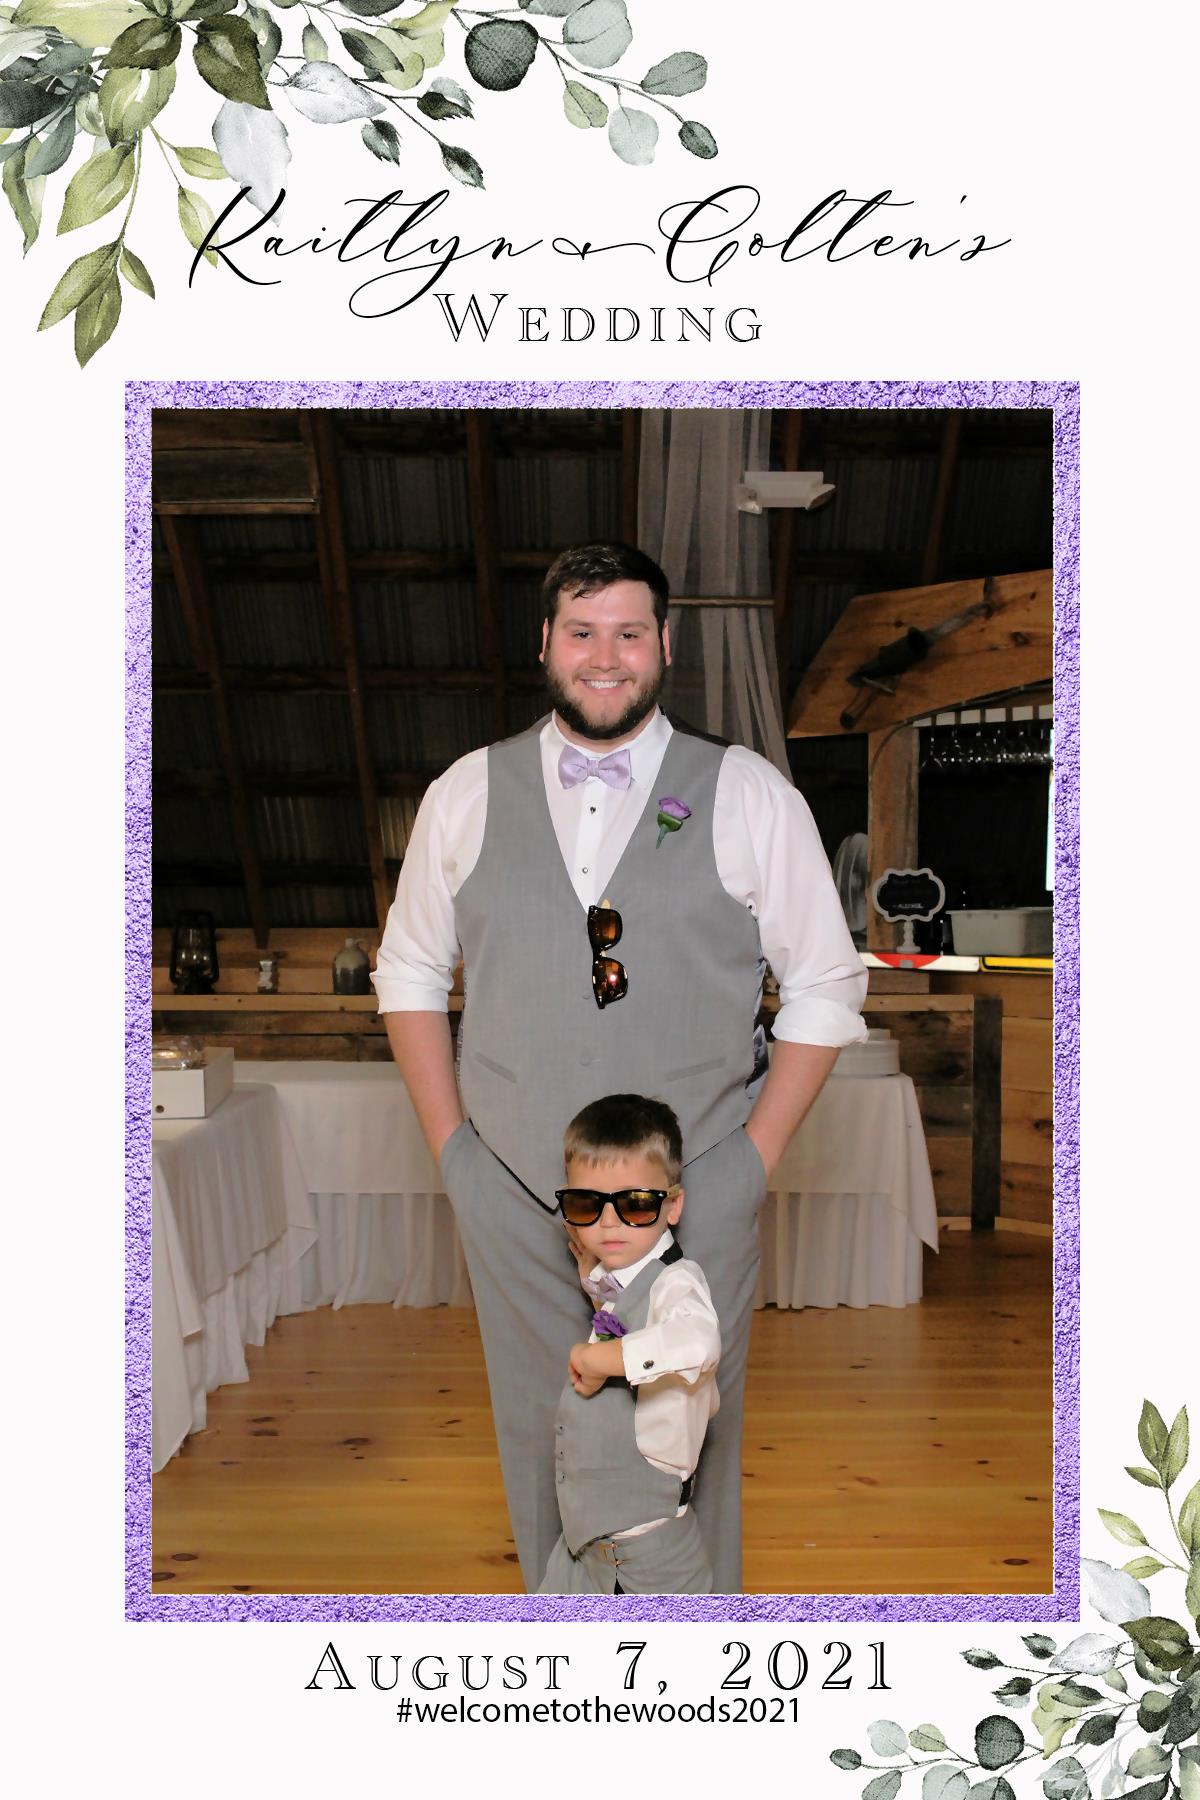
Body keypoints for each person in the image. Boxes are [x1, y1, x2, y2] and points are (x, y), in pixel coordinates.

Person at [373, 540, 867, 1593]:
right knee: (537, 1442)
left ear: (665, 646)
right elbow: (408, 972)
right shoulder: (465, 792)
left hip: (692, 1199)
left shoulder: (747, 793)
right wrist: (456, 1154)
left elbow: (826, 983)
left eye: (629, 633)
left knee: (689, 1448)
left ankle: (692, 1656)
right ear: (546, 644)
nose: (606, 657)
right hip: (516, 1194)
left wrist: (751, 1160)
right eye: (583, 632)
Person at [537, 1094, 719, 1596]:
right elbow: (627, 1305)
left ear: (672, 1206)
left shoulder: (679, 1283)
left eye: (635, 1203)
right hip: (584, 1544)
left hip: (647, 1560)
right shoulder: (626, 1277)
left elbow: (698, 1340)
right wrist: (594, 1283)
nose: (609, 1223)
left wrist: (603, 1358)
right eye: (586, 1205)